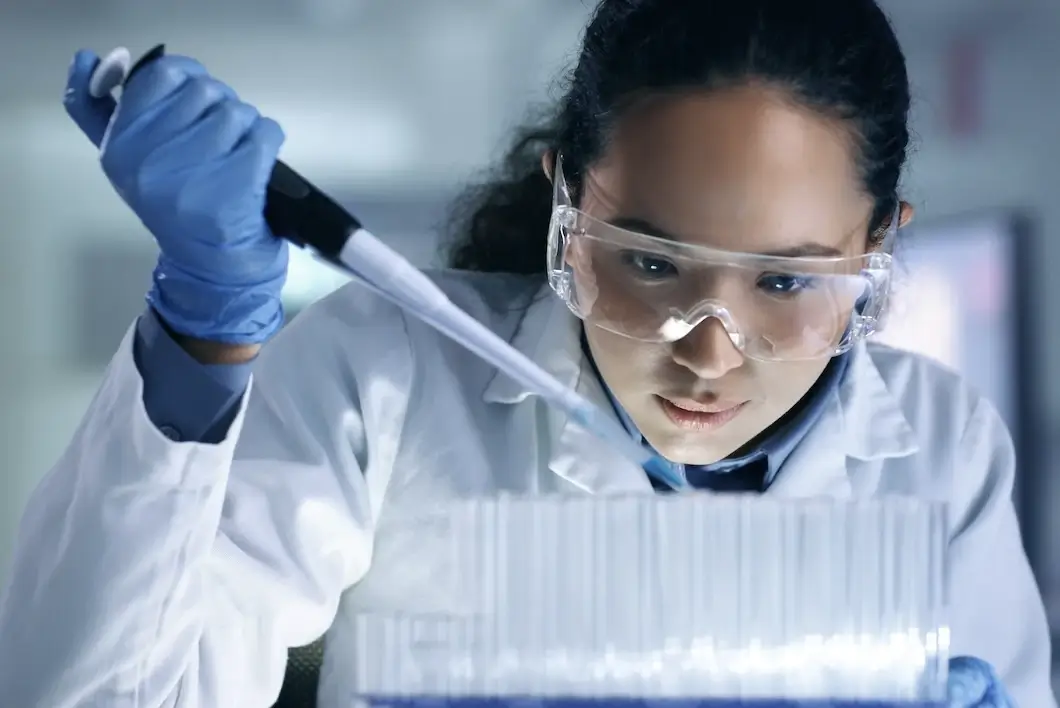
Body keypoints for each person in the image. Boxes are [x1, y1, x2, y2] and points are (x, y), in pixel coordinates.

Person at [0, 0, 1051, 705]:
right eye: (648, 265)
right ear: (568, 202)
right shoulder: (391, 375)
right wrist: (201, 334)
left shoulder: (942, 447)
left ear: (878, 248)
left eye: (784, 283)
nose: (708, 358)